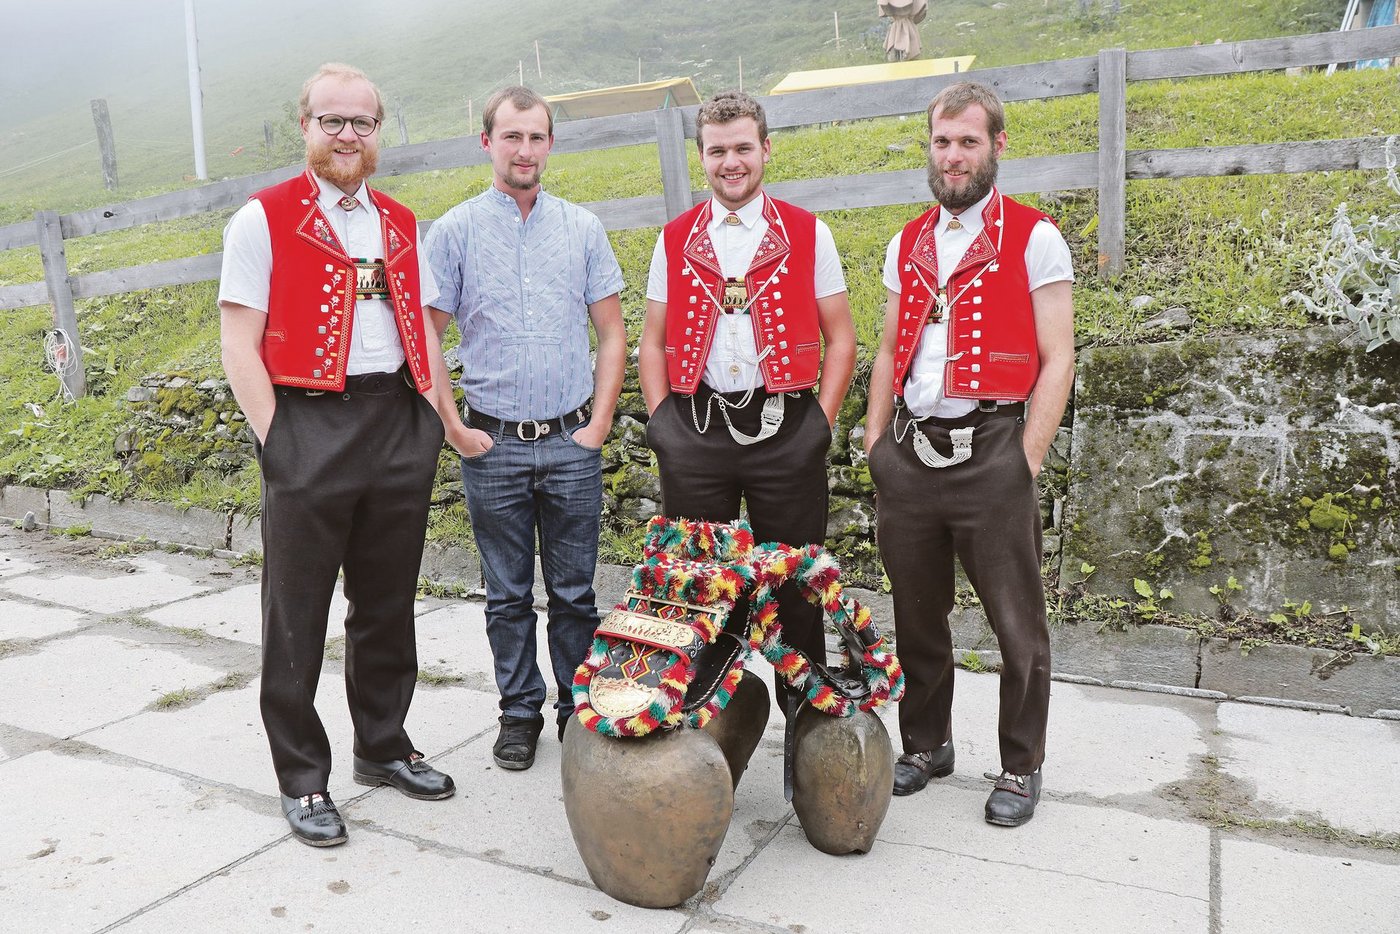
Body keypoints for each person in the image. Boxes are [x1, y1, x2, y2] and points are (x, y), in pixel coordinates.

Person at [219, 63, 457, 848]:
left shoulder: (400, 221)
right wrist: (278, 442)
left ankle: (383, 746)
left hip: (396, 419)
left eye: (362, 122)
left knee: (386, 603)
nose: (348, 136)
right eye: (333, 121)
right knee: (296, 615)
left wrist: (431, 414)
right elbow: (238, 342)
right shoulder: (263, 218)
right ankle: (302, 778)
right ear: (306, 127)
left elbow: (421, 326)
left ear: (378, 131)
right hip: (308, 425)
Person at [864, 81, 1075, 827]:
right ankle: (926, 745)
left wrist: (1028, 457)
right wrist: (873, 444)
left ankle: (1021, 765)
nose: (953, 156)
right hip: (909, 455)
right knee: (917, 616)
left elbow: (1059, 357)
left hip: (994, 450)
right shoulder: (906, 242)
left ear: (997, 147)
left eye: (968, 142)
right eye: (942, 142)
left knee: (1018, 625)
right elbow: (889, 347)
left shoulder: (1035, 236)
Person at [424, 86, 626, 772]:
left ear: (550, 144)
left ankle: (578, 710)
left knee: (574, 594)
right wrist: (452, 424)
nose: (524, 150)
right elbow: (426, 334)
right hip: (492, 444)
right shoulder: (453, 231)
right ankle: (518, 714)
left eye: (536, 137)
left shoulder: (582, 228)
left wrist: (599, 423)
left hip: (571, 443)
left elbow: (612, 330)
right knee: (507, 595)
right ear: (487, 143)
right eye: (511, 137)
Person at [638, 91, 857, 715]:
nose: (730, 162)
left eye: (742, 148)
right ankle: (699, 719)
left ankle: (807, 722)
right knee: (697, 586)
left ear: (765, 149)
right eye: (717, 151)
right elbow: (652, 341)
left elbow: (841, 337)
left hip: (786, 425)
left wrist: (819, 421)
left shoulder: (808, 232)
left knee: (794, 584)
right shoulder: (675, 238)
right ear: (701, 157)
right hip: (696, 426)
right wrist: (662, 424)